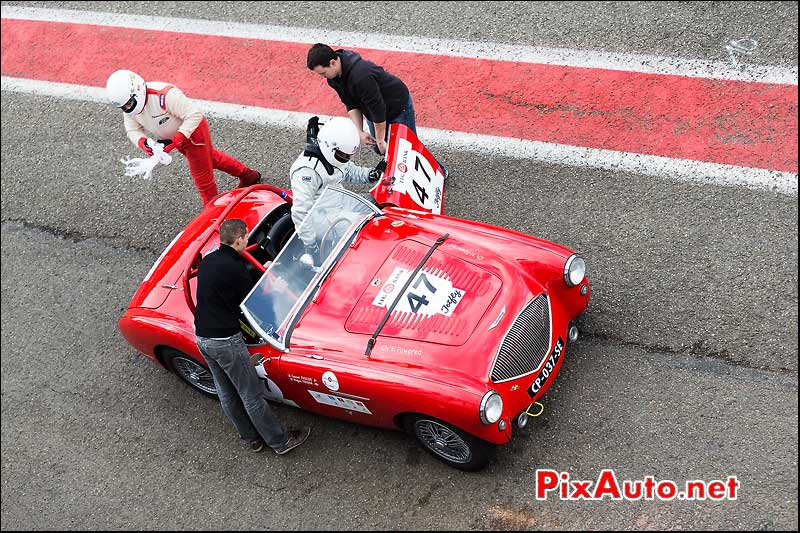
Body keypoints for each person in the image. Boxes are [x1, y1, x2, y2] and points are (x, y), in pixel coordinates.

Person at [194, 218, 311, 455]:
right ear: (238, 241)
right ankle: (280, 442)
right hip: (226, 340)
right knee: (252, 395)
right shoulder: (236, 269)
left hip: (203, 336)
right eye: (246, 237)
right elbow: (256, 303)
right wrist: (272, 281)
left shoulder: (209, 261)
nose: (247, 240)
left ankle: (251, 438)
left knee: (227, 392)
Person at [105, 69, 262, 206]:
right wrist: (144, 143)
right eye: (123, 107)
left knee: (203, 181)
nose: (127, 108)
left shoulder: (165, 95)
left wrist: (178, 138)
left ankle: (214, 215)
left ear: (136, 91)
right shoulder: (130, 109)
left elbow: (194, 115)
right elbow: (132, 130)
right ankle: (248, 175)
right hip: (177, 139)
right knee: (212, 159)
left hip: (193, 135)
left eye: (128, 104)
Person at [306, 43, 448, 178]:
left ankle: (439, 172)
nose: (323, 77)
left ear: (332, 62)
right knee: (382, 148)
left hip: (397, 107)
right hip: (373, 111)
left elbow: (378, 109)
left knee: (407, 148)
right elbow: (350, 104)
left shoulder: (360, 76)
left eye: (323, 73)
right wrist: (360, 132)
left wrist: (380, 139)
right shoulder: (333, 78)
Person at [289, 116, 383, 261]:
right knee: (369, 227)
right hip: (321, 217)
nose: (346, 157)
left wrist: (372, 174)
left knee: (379, 202)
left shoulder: (334, 153)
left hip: (339, 201)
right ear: (329, 146)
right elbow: (301, 212)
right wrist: (311, 244)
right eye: (343, 155)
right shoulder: (306, 172)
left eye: (348, 155)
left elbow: (348, 170)